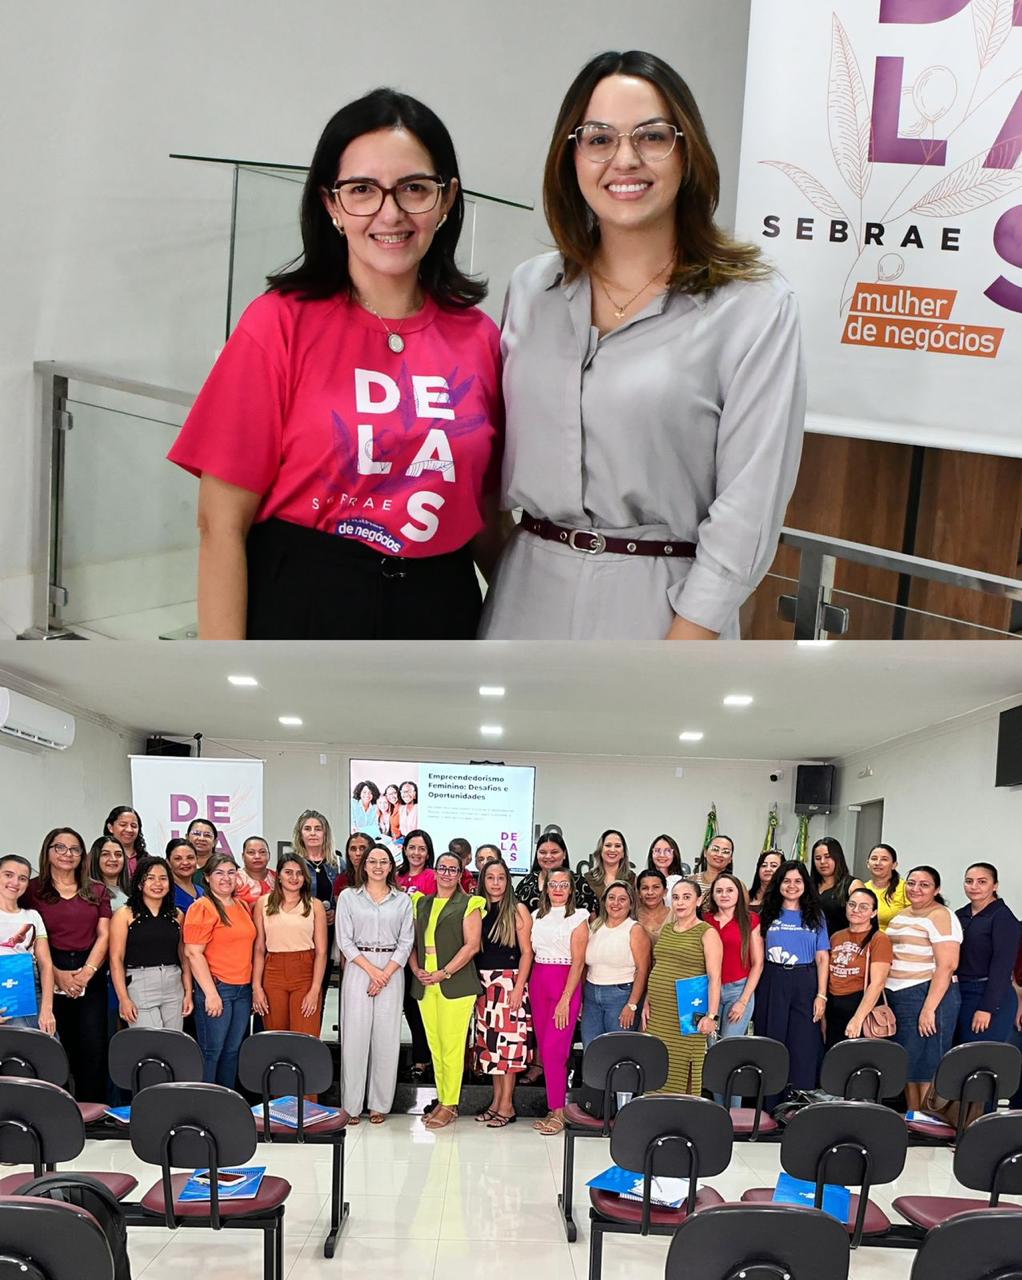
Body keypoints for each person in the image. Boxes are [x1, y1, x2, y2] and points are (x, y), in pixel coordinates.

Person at [480, 48, 804, 640]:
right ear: (571, 156)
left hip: (665, 610)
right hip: (524, 594)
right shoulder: (531, 289)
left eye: (652, 136)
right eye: (598, 138)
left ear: (688, 152)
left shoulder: (754, 306)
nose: (624, 159)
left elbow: (749, 508)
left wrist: (686, 642)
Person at [169, 88, 505, 640]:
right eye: (362, 190)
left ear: (446, 202)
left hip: (441, 611)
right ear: (331, 204)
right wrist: (223, 682)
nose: (389, 213)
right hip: (304, 603)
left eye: (414, 189)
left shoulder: (480, 338)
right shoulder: (277, 324)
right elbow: (220, 526)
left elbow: (488, 519)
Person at [25, 828, 111, 1101]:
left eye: (74, 849)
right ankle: (58, 1112)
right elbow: (28, 936)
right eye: (59, 847)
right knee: (55, 1047)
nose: (67, 854)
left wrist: (87, 972)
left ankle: (93, 1114)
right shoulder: (32, 890)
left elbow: (104, 935)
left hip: (91, 971)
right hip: (49, 970)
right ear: (47, 852)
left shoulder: (96, 890)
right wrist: (56, 974)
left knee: (93, 1046)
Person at [336, 842, 414, 1124]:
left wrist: (385, 973)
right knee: (355, 1039)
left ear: (391, 866)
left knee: (386, 1038)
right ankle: (352, 1106)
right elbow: (344, 940)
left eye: (384, 861)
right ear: (363, 865)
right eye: (372, 861)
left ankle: (380, 1104)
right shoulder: (348, 897)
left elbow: (407, 942)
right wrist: (372, 971)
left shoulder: (402, 900)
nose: (378, 866)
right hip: (359, 968)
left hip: (392, 971)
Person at [409, 852, 485, 1128]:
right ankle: (442, 1099)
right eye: (442, 868)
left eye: (453, 869)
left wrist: (444, 972)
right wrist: (416, 969)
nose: (447, 873)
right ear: (435, 870)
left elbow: (471, 945)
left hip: (454, 982)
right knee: (435, 1045)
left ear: (461, 873)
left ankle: (450, 1105)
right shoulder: (421, 902)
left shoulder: (470, 903)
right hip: (425, 980)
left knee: (452, 1047)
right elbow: (411, 941)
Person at [885, 865, 962, 1113]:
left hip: (927, 994)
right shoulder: (902, 914)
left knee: (927, 1062)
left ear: (936, 889)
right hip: (900, 996)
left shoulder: (941, 915)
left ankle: (930, 1120)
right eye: (911, 883)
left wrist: (929, 1009)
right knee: (908, 1062)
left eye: (924, 884)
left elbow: (947, 965)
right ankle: (913, 1116)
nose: (915, 889)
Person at [754, 860, 830, 1107]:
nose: (792, 885)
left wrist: (821, 995)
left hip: (805, 980)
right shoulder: (767, 913)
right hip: (772, 980)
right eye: (786, 880)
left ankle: (799, 1105)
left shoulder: (815, 915)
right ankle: (768, 1105)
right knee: (771, 1042)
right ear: (778, 884)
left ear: (805, 884)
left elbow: (822, 957)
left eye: (798, 881)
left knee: (803, 1044)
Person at [183, 853, 257, 1087]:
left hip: (242, 990)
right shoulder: (202, 908)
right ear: (207, 877)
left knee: (232, 1051)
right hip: (217, 989)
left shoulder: (242, 905)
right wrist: (211, 994)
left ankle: (226, 1105)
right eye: (219, 873)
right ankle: (205, 1106)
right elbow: (193, 953)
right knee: (212, 1051)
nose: (226, 878)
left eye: (231, 872)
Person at [644, 879, 722, 1095]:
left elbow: (715, 978)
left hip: (688, 1012)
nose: (680, 902)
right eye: (676, 897)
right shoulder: (667, 929)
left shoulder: (707, 933)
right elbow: (659, 966)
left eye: (686, 897)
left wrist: (712, 1016)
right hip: (659, 1016)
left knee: (682, 1068)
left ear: (698, 901)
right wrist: (648, 1001)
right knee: (656, 1067)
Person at [473, 859, 534, 1127]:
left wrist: (519, 986)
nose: (496, 883)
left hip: (509, 983)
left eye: (501, 878)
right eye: (490, 878)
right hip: (485, 985)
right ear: (482, 881)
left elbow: (527, 952)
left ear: (508, 881)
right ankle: (496, 1101)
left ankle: (507, 1106)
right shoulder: (479, 908)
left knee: (508, 1049)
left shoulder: (517, 909)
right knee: (492, 1049)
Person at [528, 869, 589, 1134]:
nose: (558, 889)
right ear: (546, 887)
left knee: (556, 1050)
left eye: (564, 884)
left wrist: (566, 998)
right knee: (545, 1049)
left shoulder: (579, 918)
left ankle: (559, 1113)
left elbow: (578, 963)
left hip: (564, 984)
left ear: (572, 889)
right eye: (553, 884)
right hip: (539, 982)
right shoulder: (536, 917)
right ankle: (553, 1108)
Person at [108, 857, 192, 1031]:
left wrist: (188, 992)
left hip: (173, 984)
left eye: (163, 878)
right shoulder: (124, 914)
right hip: (140, 984)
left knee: (173, 1042)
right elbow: (116, 959)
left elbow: (184, 957)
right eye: (150, 878)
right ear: (140, 883)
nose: (157, 883)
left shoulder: (177, 915)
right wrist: (123, 998)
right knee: (150, 1044)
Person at [252, 853, 328, 1037]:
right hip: (273, 973)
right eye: (288, 872)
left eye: (299, 873)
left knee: (305, 1037)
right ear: (278, 875)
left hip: (305, 974)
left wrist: (315, 989)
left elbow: (322, 952)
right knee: (275, 1035)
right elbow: (259, 949)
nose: (294, 878)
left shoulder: (314, 905)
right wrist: (257, 988)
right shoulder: (263, 903)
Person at [703, 874, 764, 1091]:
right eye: (719, 891)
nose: (724, 895)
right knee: (712, 1051)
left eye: (729, 890)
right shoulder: (705, 920)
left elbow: (757, 964)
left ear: (739, 893)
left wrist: (743, 1001)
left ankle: (732, 1113)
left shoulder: (750, 920)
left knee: (729, 1054)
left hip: (739, 990)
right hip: (710, 992)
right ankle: (715, 1108)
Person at [954, 862, 1019, 1046]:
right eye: (969, 881)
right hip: (959, 993)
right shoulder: (960, 915)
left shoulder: (1003, 917)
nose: (974, 886)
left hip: (988, 995)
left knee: (978, 1057)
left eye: (982, 882)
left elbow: (1002, 966)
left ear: (995, 885)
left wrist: (987, 1008)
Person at [581, 881, 651, 1046]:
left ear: (631, 903)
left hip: (621, 995)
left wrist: (632, 1005)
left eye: (622, 899)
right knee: (591, 1050)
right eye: (611, 898)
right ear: (604, 901)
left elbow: (643, 970)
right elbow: (584, 965)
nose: (616, 903)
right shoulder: (594, 926)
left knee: (617, 1051)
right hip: (591, 995)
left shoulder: (635, 930)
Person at [825, 887, 893, 1048]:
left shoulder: (879, 939)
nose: (856, 910)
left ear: (874, 912)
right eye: (852, 905)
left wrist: (858, 1018)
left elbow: (877, 983)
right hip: (834, 1006)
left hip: (859, 1005)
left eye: (863, 907)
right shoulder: (836, 936)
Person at [397, 828, 437, 1078]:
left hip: (423, 952)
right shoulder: (395, 876)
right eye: (412, 847)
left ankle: (425, 1058)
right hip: (396, 951)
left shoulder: (433, 877)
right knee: (403, 1006)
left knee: (418, 1006)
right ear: (404, 849)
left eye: (422, 848)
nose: (416, 853)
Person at [0, 854, 56, 1034]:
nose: (15, 882)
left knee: (47, 1049)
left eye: (22, 878)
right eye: (8, 875)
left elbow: (45, 964)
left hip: (31, 989)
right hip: (3, 992)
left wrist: (47, 1009)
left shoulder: (32, 916)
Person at [515, 832, 598, 915]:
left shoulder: (579, 883)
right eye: (543, 852)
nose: (548, 856)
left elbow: (591, 917)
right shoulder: (527, 882)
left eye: (554, 852)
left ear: (564, 854)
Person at [811, 837, 864, 937]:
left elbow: (864, 922)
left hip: (842, 945)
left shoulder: (853, 885)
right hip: (811, 946)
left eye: (827, 856)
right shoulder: (808, 886)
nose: (822, 862)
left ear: (837, 857)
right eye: (818, 858)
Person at [864, 844, 909, 932]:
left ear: (894, 865)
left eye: (884, 859)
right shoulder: (863, 888)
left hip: (897, 940)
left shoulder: (905, 887)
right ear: (868, 864)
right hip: (867, 941)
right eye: (874, 859)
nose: (878, 863)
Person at [583, 829, 635, 899]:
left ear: (623, 853)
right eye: (608, 845)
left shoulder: (632, 879)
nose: (612, 850)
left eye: (617, 846)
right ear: (600, 850)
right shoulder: (588, 879)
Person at [88, 836, 131, 911]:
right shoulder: (87, 892)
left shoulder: (135, 891)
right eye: (105, 854)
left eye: (118, 854)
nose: (113, 859)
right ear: (96, 858)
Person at [235, 835, 277, 911]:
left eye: (262, 852)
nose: (257, 856)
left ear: (269, 855)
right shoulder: (234, 879)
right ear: (243, 856)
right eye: (251, 852)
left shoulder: (278, 878)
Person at [103, 807, 146, 876]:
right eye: (123, 825)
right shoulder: (97, 857)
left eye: (134, 826)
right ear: (110, 827)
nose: (129, 830)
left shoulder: (146, 859)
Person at [166, 838, 205, 913]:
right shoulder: (165, 892)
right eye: (178, 859)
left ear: (197, 859)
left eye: (190, 858)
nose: (185, 862)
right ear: (168, 862)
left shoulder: (202, 891)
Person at [646, 834, 689, 900]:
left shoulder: (681, 882)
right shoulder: (643, 880)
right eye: (657, 850)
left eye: (668, 851)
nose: (662, 855)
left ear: (674, 855)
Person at [635, 868, 671, 942]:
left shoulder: (676, 917)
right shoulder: (632, 917)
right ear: (638, 893)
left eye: (656, 887)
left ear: (665, 891)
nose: (650, 892)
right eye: (645, 888)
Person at [333, 831, 372, 896]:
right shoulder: (341, 880)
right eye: (353, 849)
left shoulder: (380, 877)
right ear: (348, 853)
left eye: (362, 848)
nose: (358, 853)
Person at [185, 818, 219, 887]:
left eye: (207, 835)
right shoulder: (177, 863)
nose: (201, 838)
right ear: (187, 838)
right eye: (196, 834)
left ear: (215, 842)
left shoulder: (222, 864)